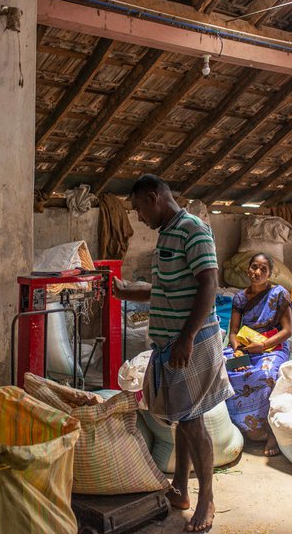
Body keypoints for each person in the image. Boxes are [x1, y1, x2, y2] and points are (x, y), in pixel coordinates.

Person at [113, 174, 232, 533]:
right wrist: (126, 292)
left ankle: (207, 498)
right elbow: (164, 289)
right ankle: (180, 489)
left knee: (193, 421)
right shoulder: (168, 233)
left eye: (137, 208)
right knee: (182, 416)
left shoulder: (193, 228)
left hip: (188, 342)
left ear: (154, 197)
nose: (138, 217)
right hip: (169, 343)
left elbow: (208, 284)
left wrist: (187, 338)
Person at [225, 253, 292, 457]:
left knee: (267, 374)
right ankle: (240, 428)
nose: (258, 272)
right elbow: (234, 331)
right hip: (246, 346)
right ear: (248, 270)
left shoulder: (280, 294)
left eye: (263, 269)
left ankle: (270, 431)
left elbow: (288, 330)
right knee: (224, 369)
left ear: (270, 273)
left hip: (272, 346)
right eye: (255, 267)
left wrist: (262, 346)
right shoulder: (239, 297)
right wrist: (237, 350)